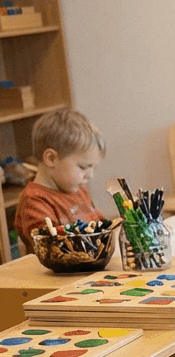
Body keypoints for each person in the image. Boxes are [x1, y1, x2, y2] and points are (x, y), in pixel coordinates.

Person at [13, 108, 107, 254]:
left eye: (93, 168)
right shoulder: (34, 202)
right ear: (51, 158)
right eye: (83, 167)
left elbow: (102, 228)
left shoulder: (78, 189)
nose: (90, 176)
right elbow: (57, 249)